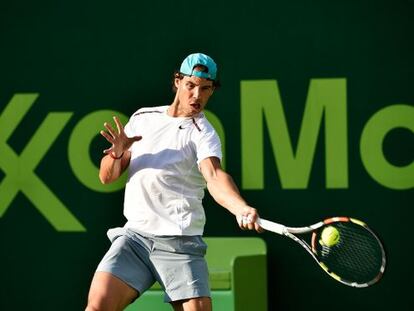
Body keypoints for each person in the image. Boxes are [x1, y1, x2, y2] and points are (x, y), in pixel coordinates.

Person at [85, 53, 262, 311]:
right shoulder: (143, 118)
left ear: (212, 91)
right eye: (190, 85)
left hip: (179, 244)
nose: (196, 95)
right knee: (97, 306)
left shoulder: (203, 133)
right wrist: (117, 152)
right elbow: (107, 176)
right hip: (134, 239)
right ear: (177, 81)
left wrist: (240, 207)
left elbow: (214, 176)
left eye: (205, 89)